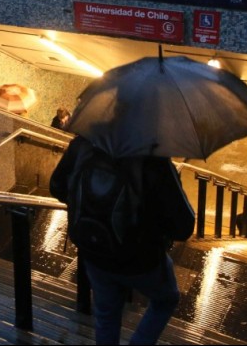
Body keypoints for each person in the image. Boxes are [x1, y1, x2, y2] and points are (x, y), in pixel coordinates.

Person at [50, 136, 194, 345]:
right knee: (166, 299)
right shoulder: (154, 157)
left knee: (106, 314)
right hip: (142, 260)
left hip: (94, 250)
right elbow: (183, 226)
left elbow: (57, 186)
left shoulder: (84, 143)